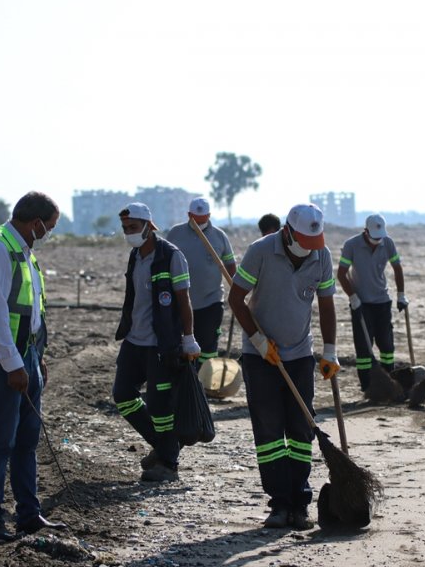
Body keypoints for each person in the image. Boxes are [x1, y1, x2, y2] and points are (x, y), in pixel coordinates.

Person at [228, 203, 338, 530]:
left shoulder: (321, 256)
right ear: (287, 232)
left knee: (301, 429)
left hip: (300, 354)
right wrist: (259, 340)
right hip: (260, 356)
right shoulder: (260, 251)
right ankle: (279, 503)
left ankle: (300, 502)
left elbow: (327, 304)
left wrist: (329, 351)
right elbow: (236, 299)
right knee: (270, 431)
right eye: (303, 241)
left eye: (313, 243)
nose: (308, 249)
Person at [0, 191, 67, 540]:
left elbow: (30, 310)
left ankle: (29, 514)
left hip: (27, 355)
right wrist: (12, 365)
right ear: (36, 223)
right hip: (2, 360)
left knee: (27, 439)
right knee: (2, 440)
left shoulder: (24, 251)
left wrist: (38, 356)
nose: (49, 233)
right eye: (49, 226)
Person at [113, 202, 200, 483]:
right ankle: (165, 447)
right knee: (123, 395)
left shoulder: (171, 256)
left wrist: (188, 338)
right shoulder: (135, 256)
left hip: (161, 344)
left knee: (160, 405)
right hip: (134, 340)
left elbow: (183, 300)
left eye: (133, 227)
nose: (129, 232)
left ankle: (168, 464)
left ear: (149, 226)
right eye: (125, 228)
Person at [336, 214, 406, 397]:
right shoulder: (351, 245)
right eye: (374, 238)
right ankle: (367, 386)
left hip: (382, 301)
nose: (377, 241)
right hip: (361, 304)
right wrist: (353, 297)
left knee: (387, 346)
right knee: (364, 350)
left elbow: (397, 268)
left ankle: (389, 382)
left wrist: (401, 295)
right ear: (366, 232)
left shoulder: (387, 243)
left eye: (380, 237)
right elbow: (341, 274)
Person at [166, 198, 236, 369]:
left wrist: (236, 291)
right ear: (189, 215)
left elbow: (230, 265)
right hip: (180, 302)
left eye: (203, 219)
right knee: (181, 346)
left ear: (209, 215)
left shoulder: (219, 236)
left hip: (211, 301)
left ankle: (205, 378)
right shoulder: (175, 233)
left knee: (208, 345)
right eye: (196, 219)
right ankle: (185, 378)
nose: (199, 223)